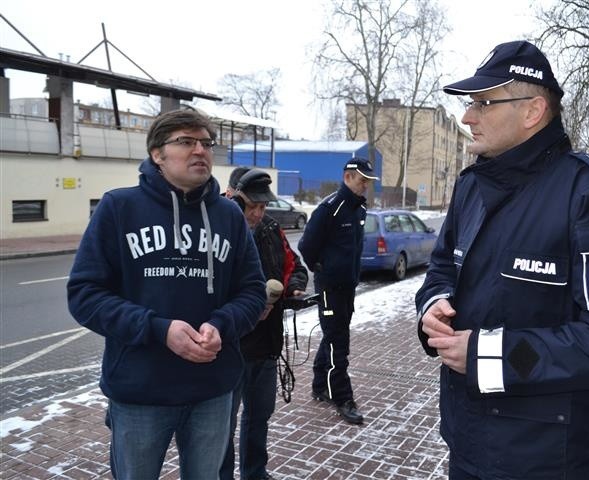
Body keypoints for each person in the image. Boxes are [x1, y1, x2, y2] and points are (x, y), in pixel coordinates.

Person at [415, 40, 589, 479]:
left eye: (484, 103)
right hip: (466, 442)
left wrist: (488, 356)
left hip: (550, 457)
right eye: (471, 104)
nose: (468, 116)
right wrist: (433, 306)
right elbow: (441, 269)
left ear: (532, 112)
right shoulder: (470, 187)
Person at [67, 108, 267, 479]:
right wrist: (158, 329)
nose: (201, 151)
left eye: (206, 143)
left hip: (212, 387)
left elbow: (253, 291)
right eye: (186, 142)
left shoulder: (228, 216)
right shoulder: (119, 208)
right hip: (141, 390)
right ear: (157, 154)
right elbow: (84, 294)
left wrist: (222, 324)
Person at [220, 167, 309, 480]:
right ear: (231, 196)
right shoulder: (217, 228)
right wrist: (246, 308)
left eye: (262, 206)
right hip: (231, 348)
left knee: (259, 417)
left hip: (267, 344)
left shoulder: (271, 228)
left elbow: (294, 265)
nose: (257, 214)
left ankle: (255, 474)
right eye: (252, 206)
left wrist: (295, 285)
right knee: (223, 424)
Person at [298, 158, 378, 425]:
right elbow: (307, 245)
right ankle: (342, 397)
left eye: (368, 181)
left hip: (348, 286)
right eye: (361, 180)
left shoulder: (359, 209)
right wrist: (322, 269)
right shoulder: (329, 208)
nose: (365, 185)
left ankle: (321, 384)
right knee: (338, 342)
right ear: (347, 177)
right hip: (330, 287)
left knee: (334, 335)